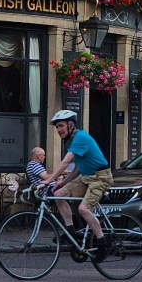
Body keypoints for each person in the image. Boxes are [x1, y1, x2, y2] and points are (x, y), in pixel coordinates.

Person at [43, 110, 113, 263]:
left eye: (61, 126)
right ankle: (70, 231)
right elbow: (78, 168)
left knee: (83, 209)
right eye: (57, 127)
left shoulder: (80, 137)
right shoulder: (71, 140)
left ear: (71, 125)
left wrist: (50, 179)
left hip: (100, 178)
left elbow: (66, 162)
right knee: (59, 194)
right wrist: (62, 183)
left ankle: (103, 242)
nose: (59, 130)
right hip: (86, 176)